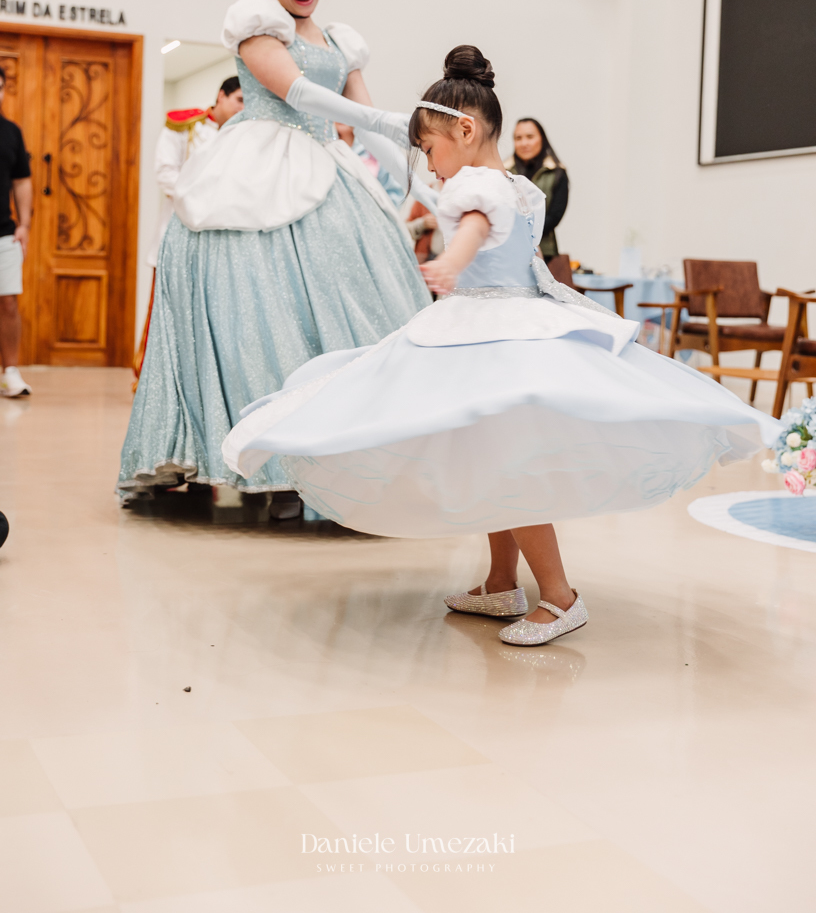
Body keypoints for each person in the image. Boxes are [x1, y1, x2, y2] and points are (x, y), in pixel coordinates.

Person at [222, 45, 781, 646]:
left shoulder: (475, 189)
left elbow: (475, 231)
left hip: (489, 328)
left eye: (431, 151)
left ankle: (560, 597)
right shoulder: (519, 186)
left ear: (463, 131)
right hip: (508, 320)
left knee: (511, 463)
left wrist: (449, 263)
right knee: (492, 454)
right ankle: (499, 582)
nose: (431, 168)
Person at [119, 0, 430, 502]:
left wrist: (426, 186)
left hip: (329, 170)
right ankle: (280, 463)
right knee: (260, 316)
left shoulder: (340, 39)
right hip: (259, 166)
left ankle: (356, 456)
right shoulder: (259, 25)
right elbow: (299, 92)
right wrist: (384, 118)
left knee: (361, 298)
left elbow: (370, 134)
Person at [133, 78, 244, 384]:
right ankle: (150, 379)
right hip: (179, 231)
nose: (242, 109)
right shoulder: (185, 126)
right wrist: (208, 197)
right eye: (238, 99)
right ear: (220, 96)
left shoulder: (245, 136)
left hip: (223, 239)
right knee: (165, 312)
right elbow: (165, 173)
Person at [0, 65, 33, 399]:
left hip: (4, 234)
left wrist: (24, 224)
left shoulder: (11, 132)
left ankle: (10, 373)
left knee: (8, 303)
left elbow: (22, 182)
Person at [506, 117, 568, 261]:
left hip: (544, 250)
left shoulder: (557, 172)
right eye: (518, 138)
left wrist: (526, 233)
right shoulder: (504, 170)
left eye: (530, 137)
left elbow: (555, 215)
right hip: (508, 247)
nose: (524, 143)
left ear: (542, 139)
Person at [334, 122, 404, 207]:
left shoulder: (374, 149)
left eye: (345, 109)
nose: (340, 117)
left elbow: (394, 194)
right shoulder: (323, 151)